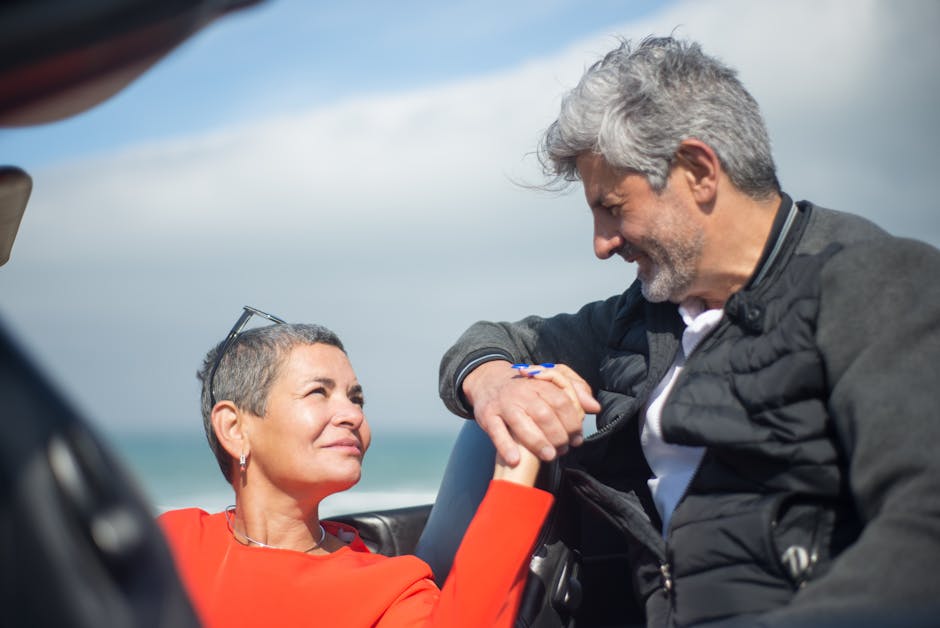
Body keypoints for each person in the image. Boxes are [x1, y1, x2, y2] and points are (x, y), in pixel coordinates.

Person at [438, 37, 940, 627]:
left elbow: (921, 530)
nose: (602, 244)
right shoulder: (642, 315)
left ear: (699, 172)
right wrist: (497, 384)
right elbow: (486, 341)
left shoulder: (875, 282)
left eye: (613, 207)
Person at [159, 307, 578, 627]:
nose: (352, 415)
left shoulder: (390, 589)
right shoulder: (169, 542)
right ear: (234, 428)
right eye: (318, 393)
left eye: (356, 399)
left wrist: (517, 460)